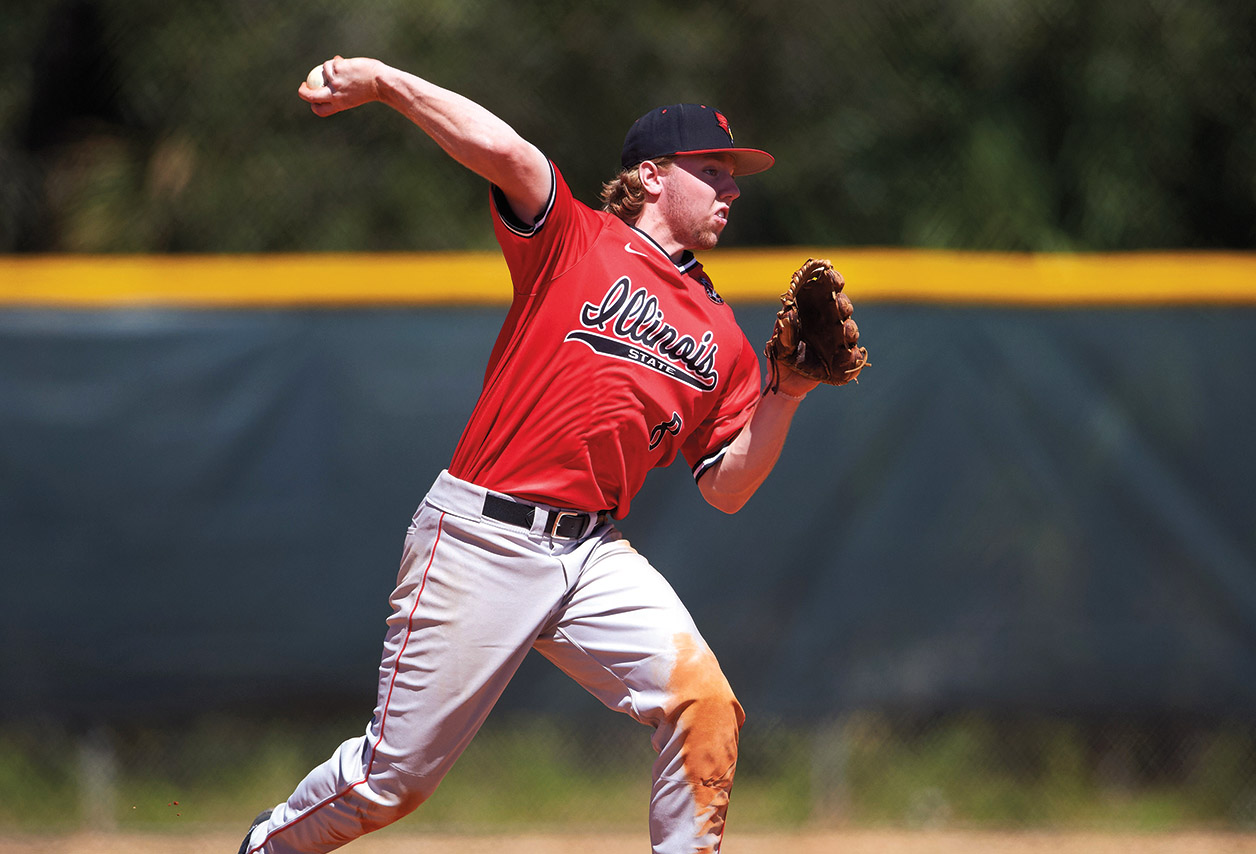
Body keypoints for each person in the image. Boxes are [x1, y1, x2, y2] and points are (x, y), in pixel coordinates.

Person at [239, 55, 824, 854]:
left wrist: (785, 394)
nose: (732, 187)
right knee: (391, 782)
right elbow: (509, 153)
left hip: (591, 553)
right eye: (712, 169)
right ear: (652, 176)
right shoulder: (574, 238)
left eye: (733, 173)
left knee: (706, 704)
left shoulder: (723, 334)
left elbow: (726, 487)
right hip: (481, 534)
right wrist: (385, 83)